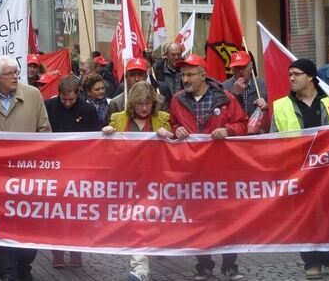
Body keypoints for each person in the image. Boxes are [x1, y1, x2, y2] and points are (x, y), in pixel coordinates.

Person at [168, 54, 248, 281]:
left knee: (227, 218)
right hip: (192, 171)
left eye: (190, 74)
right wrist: (176, 130)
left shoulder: (225, 98)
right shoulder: (177, 100)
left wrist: (228, 130)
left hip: (221, 170)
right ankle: (203, 264)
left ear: (203, 75)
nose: (185, 79)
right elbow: (172, 123)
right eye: (183, 74)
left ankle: (230, 264)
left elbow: (243, 124)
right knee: (198, 219)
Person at [0, 55, 51, 281]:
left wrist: (32, 156)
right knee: (1, 225)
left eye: (16, 72)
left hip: (27, 176)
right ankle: (7, 273)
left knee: (28, 228)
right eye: (9, 74)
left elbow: (45, 131)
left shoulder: (33, 95)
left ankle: (24, 265)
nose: (15, 77)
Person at [271, 59, 329, 279]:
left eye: (296, 74)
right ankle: (311, 262)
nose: (292, 78)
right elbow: (273, 140)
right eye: (290, 74)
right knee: (305, 217)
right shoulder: (281, 105)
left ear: (311, 77)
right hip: (298, 171)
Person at [101, 81, 172, 281]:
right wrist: (107, 134)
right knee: (138, 222)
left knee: (148, 222)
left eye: (148, 103)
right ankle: (140, 269)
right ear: (132, 103)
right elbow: (107, 151)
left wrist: (168, 135)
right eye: (140, 104)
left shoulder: (163, 119)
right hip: (129, 180)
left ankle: (145, 261)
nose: (144, 108)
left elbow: (175, 147)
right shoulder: (117, 118)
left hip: (155, 179)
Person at [44, 75, 100, 268]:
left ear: (78, 95)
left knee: (78, 213)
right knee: (56, 213)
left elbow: (96, 138)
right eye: (64, 99)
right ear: (58, 94)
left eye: (71, 99)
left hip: (79, 168)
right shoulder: (49, 107)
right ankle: (57, 252)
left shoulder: (88, 110)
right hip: (55, 167)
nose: (67, 103)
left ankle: (76, 251)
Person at [222, 51, 269, 133]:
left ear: (251, 67)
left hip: (258, 135)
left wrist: (267, 106)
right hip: (235, 136)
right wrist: (234, 94)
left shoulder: (262, 85)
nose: (240, 71)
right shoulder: (224, 87)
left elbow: (275, 110)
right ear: (232, 69)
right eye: (237, 68)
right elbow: (223, 115)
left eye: (243, 67)